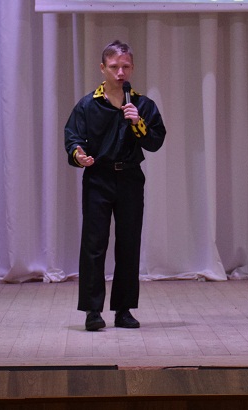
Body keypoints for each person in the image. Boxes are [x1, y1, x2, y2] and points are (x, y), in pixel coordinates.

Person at [64, 40, 166, 331]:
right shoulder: (88, 104)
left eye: (125, 67)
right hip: (98, 179)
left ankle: (124, 309)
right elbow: (73, 137)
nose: (120, 72)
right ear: (102, 68)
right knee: (94, 245)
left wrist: (138, 123)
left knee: (128, 244)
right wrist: (78, 154)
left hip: (130, 179)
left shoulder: (142, 105)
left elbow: (155, 141)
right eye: (114, 67)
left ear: (132, 68)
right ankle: (92, 311)